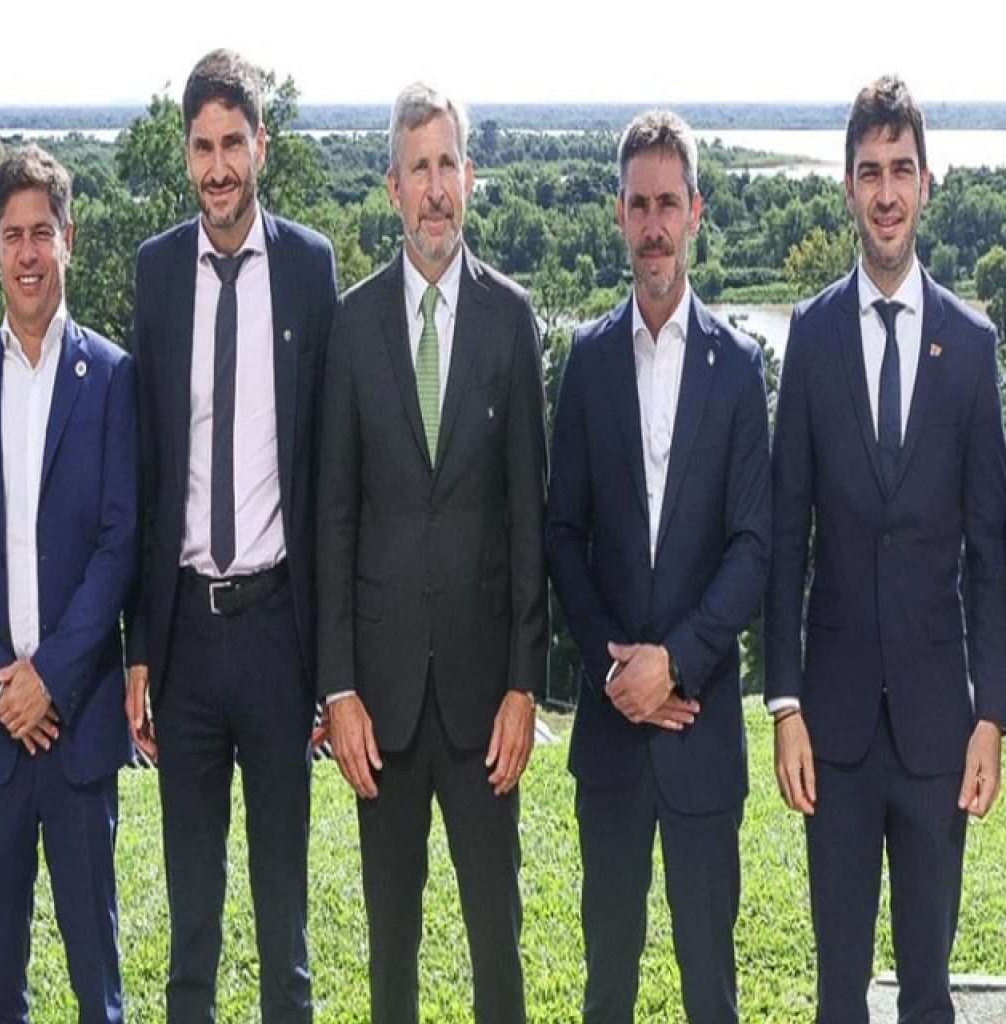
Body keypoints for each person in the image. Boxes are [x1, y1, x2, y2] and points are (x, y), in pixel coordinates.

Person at [765, 74, 1006, 1024]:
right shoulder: (812, 333)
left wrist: (992, 718)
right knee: (838, 994)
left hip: (941, 728)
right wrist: (785, 703)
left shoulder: (973, 345)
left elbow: (991, 550)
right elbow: (786, 535)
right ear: (848, 187)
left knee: (930, 995)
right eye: (870, 172)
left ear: (927, 183)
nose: (887, 191)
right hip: (832, 730)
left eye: (902, 169)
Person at [317, 81, 548, 1024]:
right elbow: (334, 519)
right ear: (392, 187)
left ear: (470, 176)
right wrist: (338, 690)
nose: (437, 187)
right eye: (419, 168)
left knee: (498, 942)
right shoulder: (351, 324)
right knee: (391, 952)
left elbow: (530, 521)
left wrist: (526, 686)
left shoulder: (511, 319)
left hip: (485, 704)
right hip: (381, 708)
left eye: (449, 164)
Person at [124, 49, 338, 1024]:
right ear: (187, 154)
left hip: (277, 631)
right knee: (191, 938)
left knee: (284, 933)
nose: (217, 167)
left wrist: (332, 667)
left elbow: (329, 478)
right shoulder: (157, 272)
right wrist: (138, 648)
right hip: (184, 640)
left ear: (262, 146)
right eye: (202, 147)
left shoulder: (309, 268)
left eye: (232, 144)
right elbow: (147, 468)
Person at [546, 110, 770, 1024]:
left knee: (711, 990)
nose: (653, 226)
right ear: (618, 214)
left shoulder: (740, 368)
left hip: (700, 734)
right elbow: (563, 534)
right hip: (610, 738)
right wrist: (617, 669)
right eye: (638, 205)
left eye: (668, 204)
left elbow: (753, 546)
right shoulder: (587, 361)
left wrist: (673, 664)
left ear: (695, 212)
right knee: (608, 986)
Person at [0, 145, 138, 1024]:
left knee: (96, 991)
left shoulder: (111, 376)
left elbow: (120, 546)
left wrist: (50, 679)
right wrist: (0, 687)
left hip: (77, 733)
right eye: (13, 235)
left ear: (69, 238)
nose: (29, 253)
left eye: (43, 232)